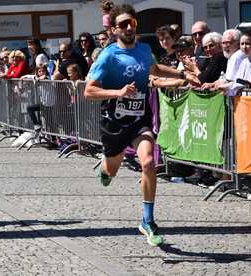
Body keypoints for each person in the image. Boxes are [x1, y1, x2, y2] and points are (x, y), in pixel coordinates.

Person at [84, 4, 186, 247]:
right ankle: (105, 170)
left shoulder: (143, 49)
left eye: (132, 23)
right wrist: (117, 91)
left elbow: (153, 69)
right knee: (111, 171)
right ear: (115, 30)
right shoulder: (108, 55)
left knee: (149, 162)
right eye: (123, 24)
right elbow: (89, 90)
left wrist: (182, 75)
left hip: (139, 119)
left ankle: (147, 221)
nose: (129, 27)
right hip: (114, 123)